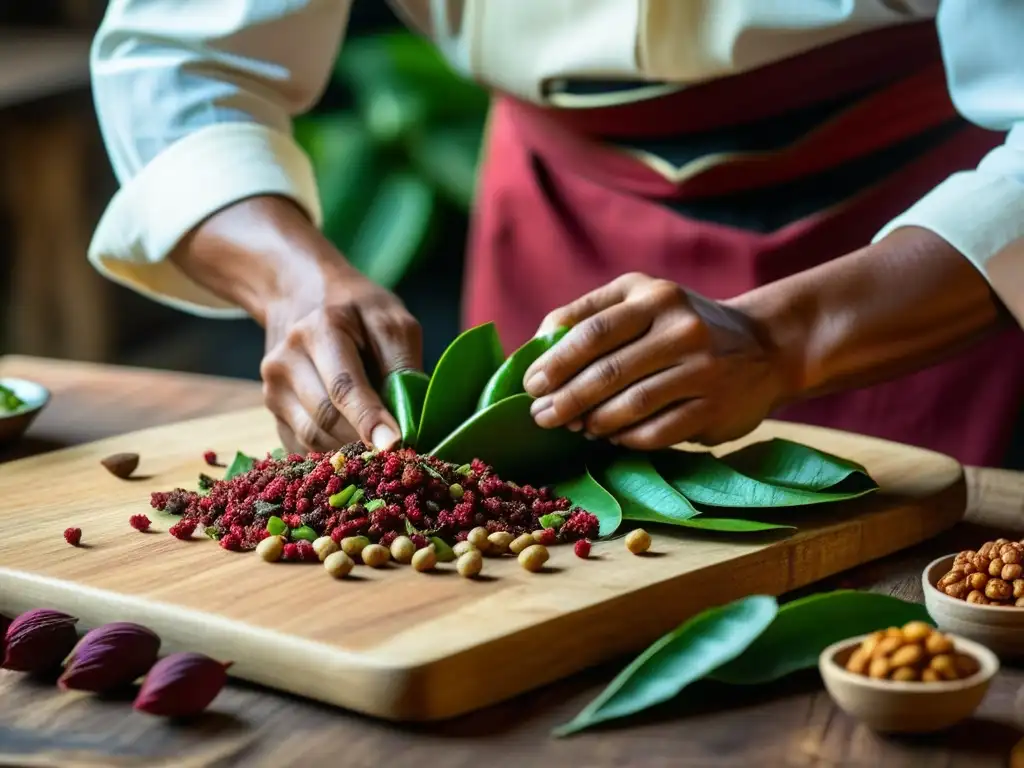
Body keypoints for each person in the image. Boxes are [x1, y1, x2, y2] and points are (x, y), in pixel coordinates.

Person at [88, 1, 1024, 465]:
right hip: (554, 209)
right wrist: (295, 283)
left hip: (929, 248)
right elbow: (183, 54)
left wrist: (792, 334)